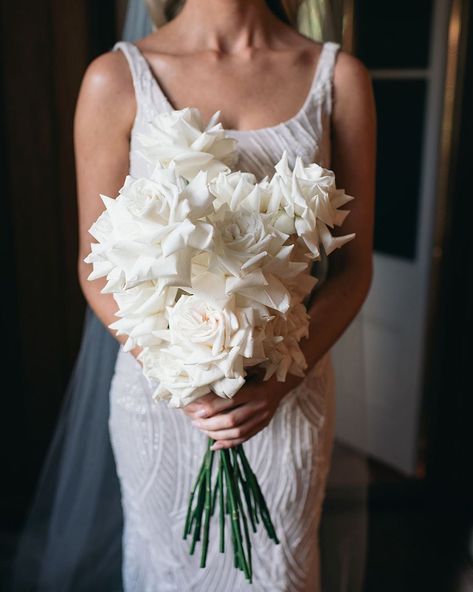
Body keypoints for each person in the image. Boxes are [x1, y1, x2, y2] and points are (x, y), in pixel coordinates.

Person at [72, 0, 376, 590]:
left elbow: (353, 269)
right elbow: (95, 269)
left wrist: (278, 384)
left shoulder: (338, 78)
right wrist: (187, 375)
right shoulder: (115, 78)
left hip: (287, 393)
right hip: (163, 397)